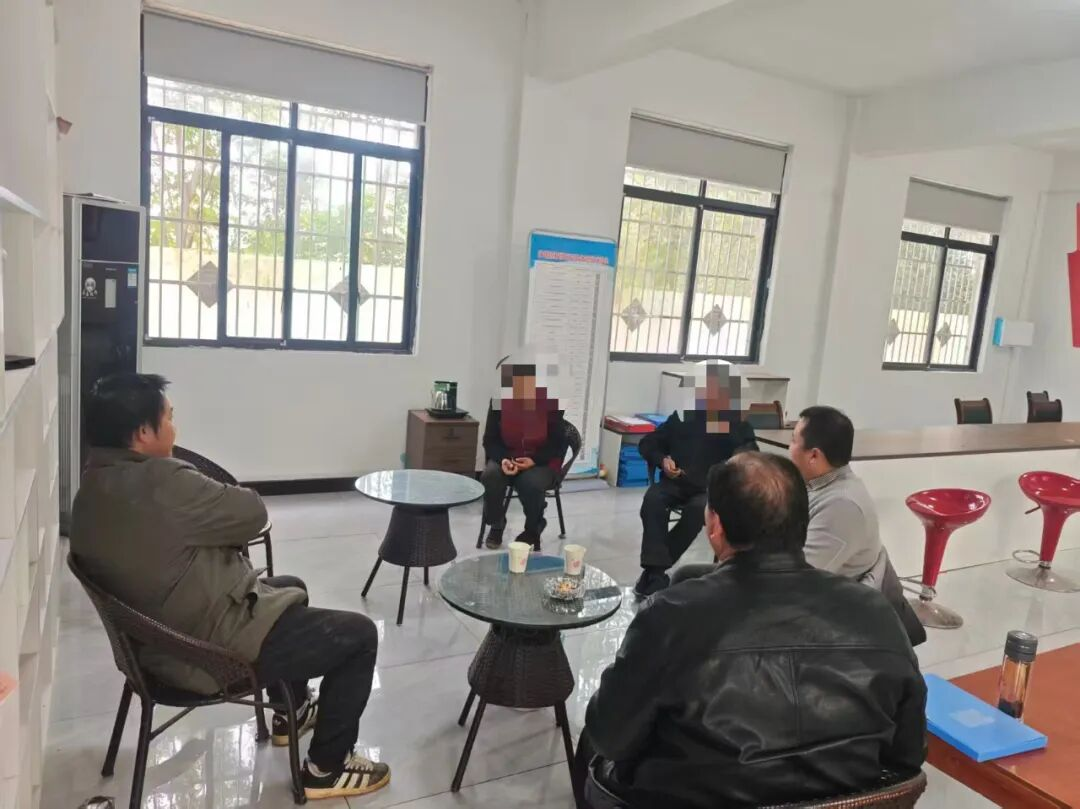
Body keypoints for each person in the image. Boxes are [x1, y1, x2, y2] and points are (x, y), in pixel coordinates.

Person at [70, 373, 390, 801]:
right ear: (143, 432)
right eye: (169, 418)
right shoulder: (164, 483)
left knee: (291, 586)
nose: (174, 428)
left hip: (152, 644)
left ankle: (292, 712)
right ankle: (326, 769)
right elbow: (252, 513)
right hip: (207, 655)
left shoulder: (90, 492)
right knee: (359, 636)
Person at [580, 453, 926, 809]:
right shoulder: (876, 611)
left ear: (715, 526)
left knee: (593, 744)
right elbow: (908, 757)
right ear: (803, 523)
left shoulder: (669, 616)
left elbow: (610, 739)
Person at [672, 405, 926, 647]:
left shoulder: (843, 506)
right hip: (791, 579)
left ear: (814, 455)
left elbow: (796, 578)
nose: (789, 448)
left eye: (793, 441)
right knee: (690, 577)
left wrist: (737, 565)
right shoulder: (815, 484)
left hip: (826, 603)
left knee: (703, 589)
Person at [634, 362, 757, 597]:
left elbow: (749, 454)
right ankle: (656, 573)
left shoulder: (737, 423)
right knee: (653, 501)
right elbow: (648, 443)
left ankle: (654, 571)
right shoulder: (683, 417)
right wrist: (663, 460)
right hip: (675, 482)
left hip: (709, 489)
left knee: (697, 511)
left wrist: (730, 465)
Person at [480, 355, 568, 550]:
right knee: (490, 476)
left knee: (530, 482)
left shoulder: (551, 404)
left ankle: (533, 528)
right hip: (508, 456)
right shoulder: (499, 403)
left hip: (542, 460)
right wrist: (504, 459)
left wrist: (534, 460)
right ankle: (496, 523)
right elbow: (490, 440)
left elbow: (557, 444)